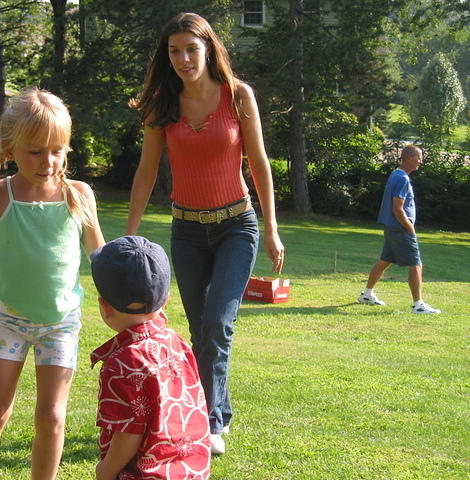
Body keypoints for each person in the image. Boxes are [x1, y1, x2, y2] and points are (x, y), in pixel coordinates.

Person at [125, 12, 285, 455]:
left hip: (238, 226)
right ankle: (218, 409)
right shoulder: (162, 105)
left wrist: (272, 229)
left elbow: (259, 164)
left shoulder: (237, 96)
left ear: (209, 49)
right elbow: (146, 171)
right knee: (200, 327)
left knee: (218, 320)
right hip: (188, 231)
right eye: (174, 51)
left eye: (191, 49)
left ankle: (210, 421)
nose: (183, 58)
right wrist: (129, 236)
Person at [0, 87, 105, 480]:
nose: (47, 161)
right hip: (8, 321)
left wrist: (129, 299)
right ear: (11, 150)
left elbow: (99, 254)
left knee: (51, 416)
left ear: (67, 149)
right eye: (35, 151)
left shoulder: (78, 195)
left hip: (60, 324)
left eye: (56, 150)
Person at [90, 235, 210, 480]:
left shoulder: (123, 362)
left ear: (104, 307)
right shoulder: (177, 343)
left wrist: (107, 469)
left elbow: (129, 432)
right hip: (191, 472)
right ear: (165, 301)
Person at [358, 145, 441, 314]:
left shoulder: (396, 174)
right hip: (401, 229)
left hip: (392, 228)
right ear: (409, 158)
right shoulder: (402, 178)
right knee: (416, 265)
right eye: (419, 158)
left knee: (384, 261)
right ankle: (418, 305)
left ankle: (367, 295)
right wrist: (410, 228)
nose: (421, 161)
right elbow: (398, 208)